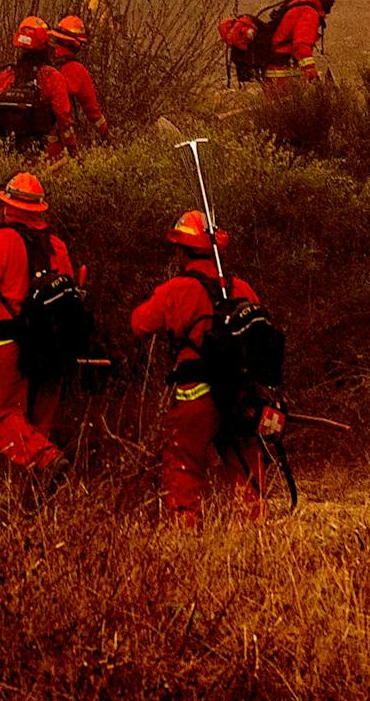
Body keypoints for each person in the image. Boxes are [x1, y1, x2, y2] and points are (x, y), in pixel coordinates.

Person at [129, 211, 267, 525]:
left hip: (196, 395)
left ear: (182, 251)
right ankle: (255, 533)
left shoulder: (177, 289)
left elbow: (139, 323)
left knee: (183, 464)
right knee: (245, 465)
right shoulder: (241, 288)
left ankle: (185, 534)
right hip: (241, 395)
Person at [0, 171, 82, 480]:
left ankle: (47, 461)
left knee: (4, 418)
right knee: (41, 424)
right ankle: (37, 496)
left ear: (8, 207)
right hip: (54, 345)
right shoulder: (57, 247)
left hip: (8, 343)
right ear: (39, 210)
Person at [0, 16, 76, 158]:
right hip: (47, 154)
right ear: (45, 44)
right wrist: (73, 149)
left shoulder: (6, 76)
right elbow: (64, 118)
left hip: (10, 154)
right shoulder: (51, 77)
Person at [264, 0, 343, 80]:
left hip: (277, 72)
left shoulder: (302, 6)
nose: (333, 0)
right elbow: (301, 45)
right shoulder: (309, 13)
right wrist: (311, 72)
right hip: (282, 77)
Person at [49, 15, 110, 147]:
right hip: (56, 143)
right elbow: (92, 110)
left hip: (20, 141)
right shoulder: (76, 70)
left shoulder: (43, 63)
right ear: (76, 44)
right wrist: (106, 134)